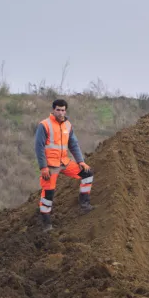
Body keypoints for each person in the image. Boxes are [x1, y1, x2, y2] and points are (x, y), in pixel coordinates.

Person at [35, 99, 94, 231]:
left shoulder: (68, 125)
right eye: (58, 110)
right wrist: (43, 167)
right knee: (48, 194)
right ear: (53, 110)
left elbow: (73, 144)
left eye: (63, 110)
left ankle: (84, 204)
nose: (61, 112)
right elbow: (38, 147)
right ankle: (46, 224)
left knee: (87, 174)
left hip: (64, 162)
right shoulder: (44, 125)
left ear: (65, 110)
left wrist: (81, 162)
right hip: (50, 166)